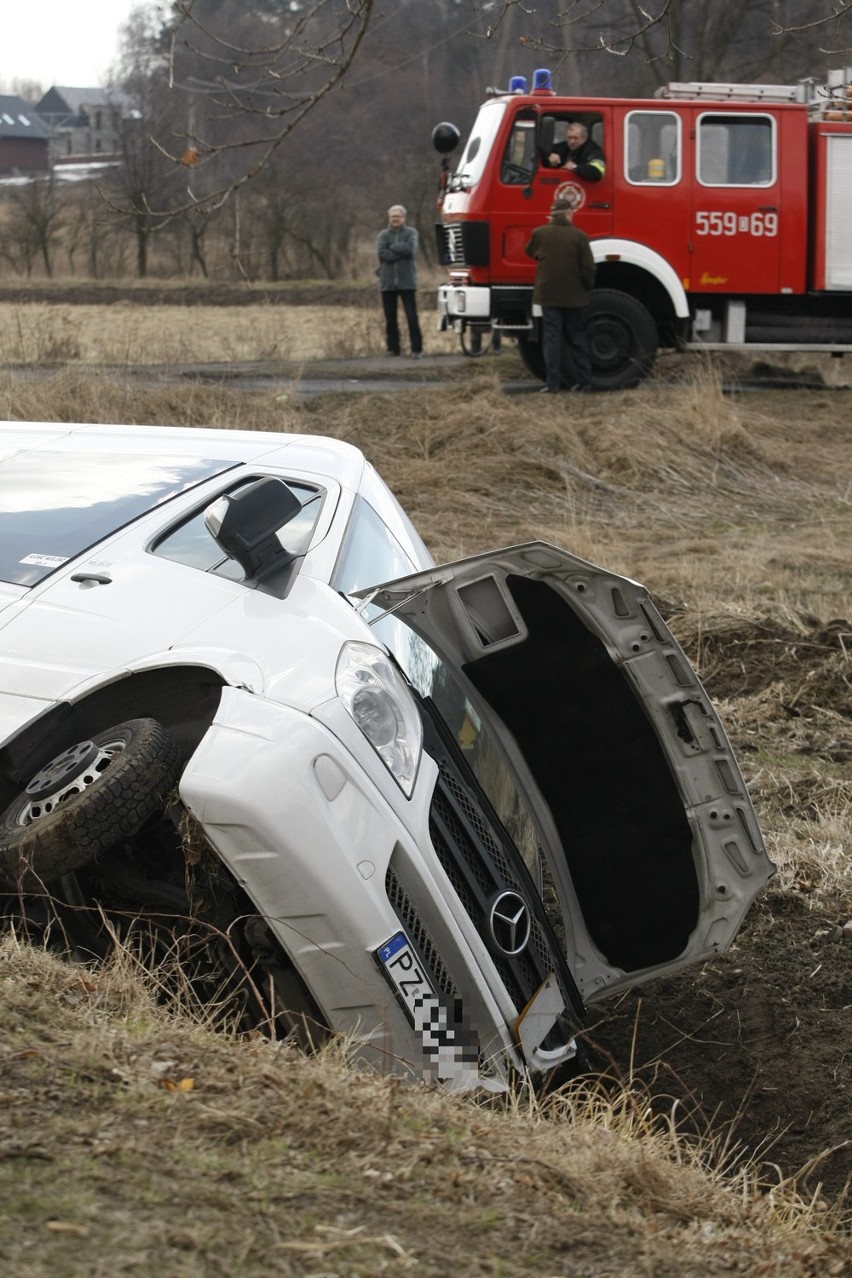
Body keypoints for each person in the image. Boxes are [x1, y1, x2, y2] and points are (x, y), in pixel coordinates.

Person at [524, 199, 596, 394]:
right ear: (566, 214)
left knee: (552, 339)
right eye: (571, 212)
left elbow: (529, 251)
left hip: (548, 295)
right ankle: (585, 382)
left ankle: (552, 384)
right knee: (576, 337)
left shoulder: (540, 233)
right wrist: (587, 287)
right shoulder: (580, 236)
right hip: (574, 296)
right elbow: (588, 268)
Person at [376, 204, 423, 357]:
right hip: (387, 283)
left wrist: (393, 247)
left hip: (407, 282)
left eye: (397, 216)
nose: (395, 219)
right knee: (390, 318)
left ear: (403, 218)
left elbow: (411, 249)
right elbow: (382, 254)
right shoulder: (383, 235)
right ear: (389, 218)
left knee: (411, 316)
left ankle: (416, 349)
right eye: (392, 216)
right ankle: (393, 349)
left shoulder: (411, 232)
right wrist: (399, 250)